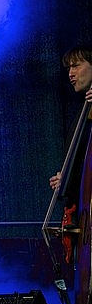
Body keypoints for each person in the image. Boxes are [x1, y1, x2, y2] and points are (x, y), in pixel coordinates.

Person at [49, 45, 92, 263]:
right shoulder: (83, 114)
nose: (70, 73)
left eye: (76, 65)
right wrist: (66, 178)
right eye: (69, 68)